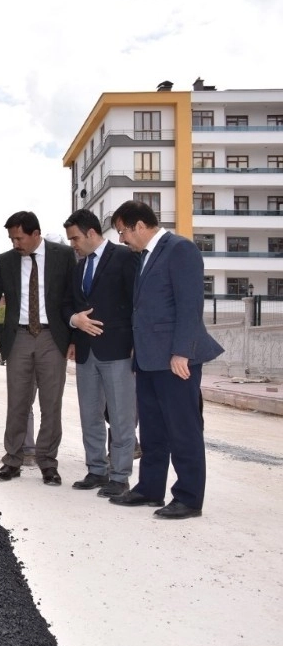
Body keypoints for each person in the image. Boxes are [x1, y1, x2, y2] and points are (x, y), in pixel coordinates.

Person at [108, 200, 223, 519]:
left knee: (183, 429)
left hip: (175, 358)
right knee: (154, 430)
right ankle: (149, 488)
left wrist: (182, 351)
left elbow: (190, 305)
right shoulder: (144, 257)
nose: (121, 239)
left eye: (122, 232)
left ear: (139, 226)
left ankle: (188, 498)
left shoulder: (179, 249)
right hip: (148, 358)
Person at [0, 211, 76, 485]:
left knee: (51, 404)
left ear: (35, 234)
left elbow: (74, 297)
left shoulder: (63, 256)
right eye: (11, 238)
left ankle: (48, 463)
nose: (15, 244)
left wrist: (75, 338)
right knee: (18, 402)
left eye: (19, 238)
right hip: (17, 338)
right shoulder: (6, 261)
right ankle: (13, 461)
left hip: (52, 337)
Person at [62, 209, 139, 498]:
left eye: (75, 238)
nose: (73, 244)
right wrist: (74, 322)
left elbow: (136, 301)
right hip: (85, 352)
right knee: (89, 415)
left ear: (91, 233)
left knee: (121, 417)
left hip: (118, 350)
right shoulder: (79, 268)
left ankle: (120, 476)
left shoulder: (124, 257)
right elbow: (68, 304)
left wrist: (135, 342)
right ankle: (96, 470)